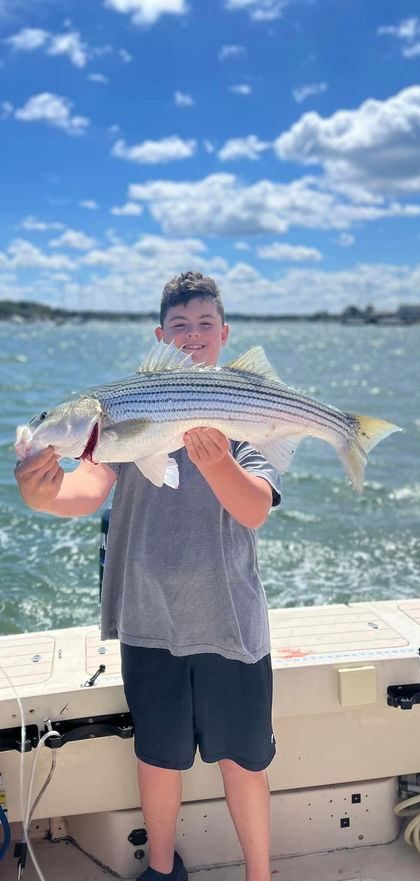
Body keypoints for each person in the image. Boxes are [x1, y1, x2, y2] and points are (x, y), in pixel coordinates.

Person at [14, 271, 281, 881]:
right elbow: (86, 489)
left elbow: (254, 509)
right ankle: (161, 870)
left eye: (205, 325)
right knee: (158, 759)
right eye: (179, 327)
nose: (192, 336)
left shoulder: (244, 415)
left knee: (244, 762)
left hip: (231, 622)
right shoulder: (126, 410)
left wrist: (216, 465)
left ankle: (260, 876)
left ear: (224, 334)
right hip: (148, 620)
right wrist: (44, 496)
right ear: (160, 336)